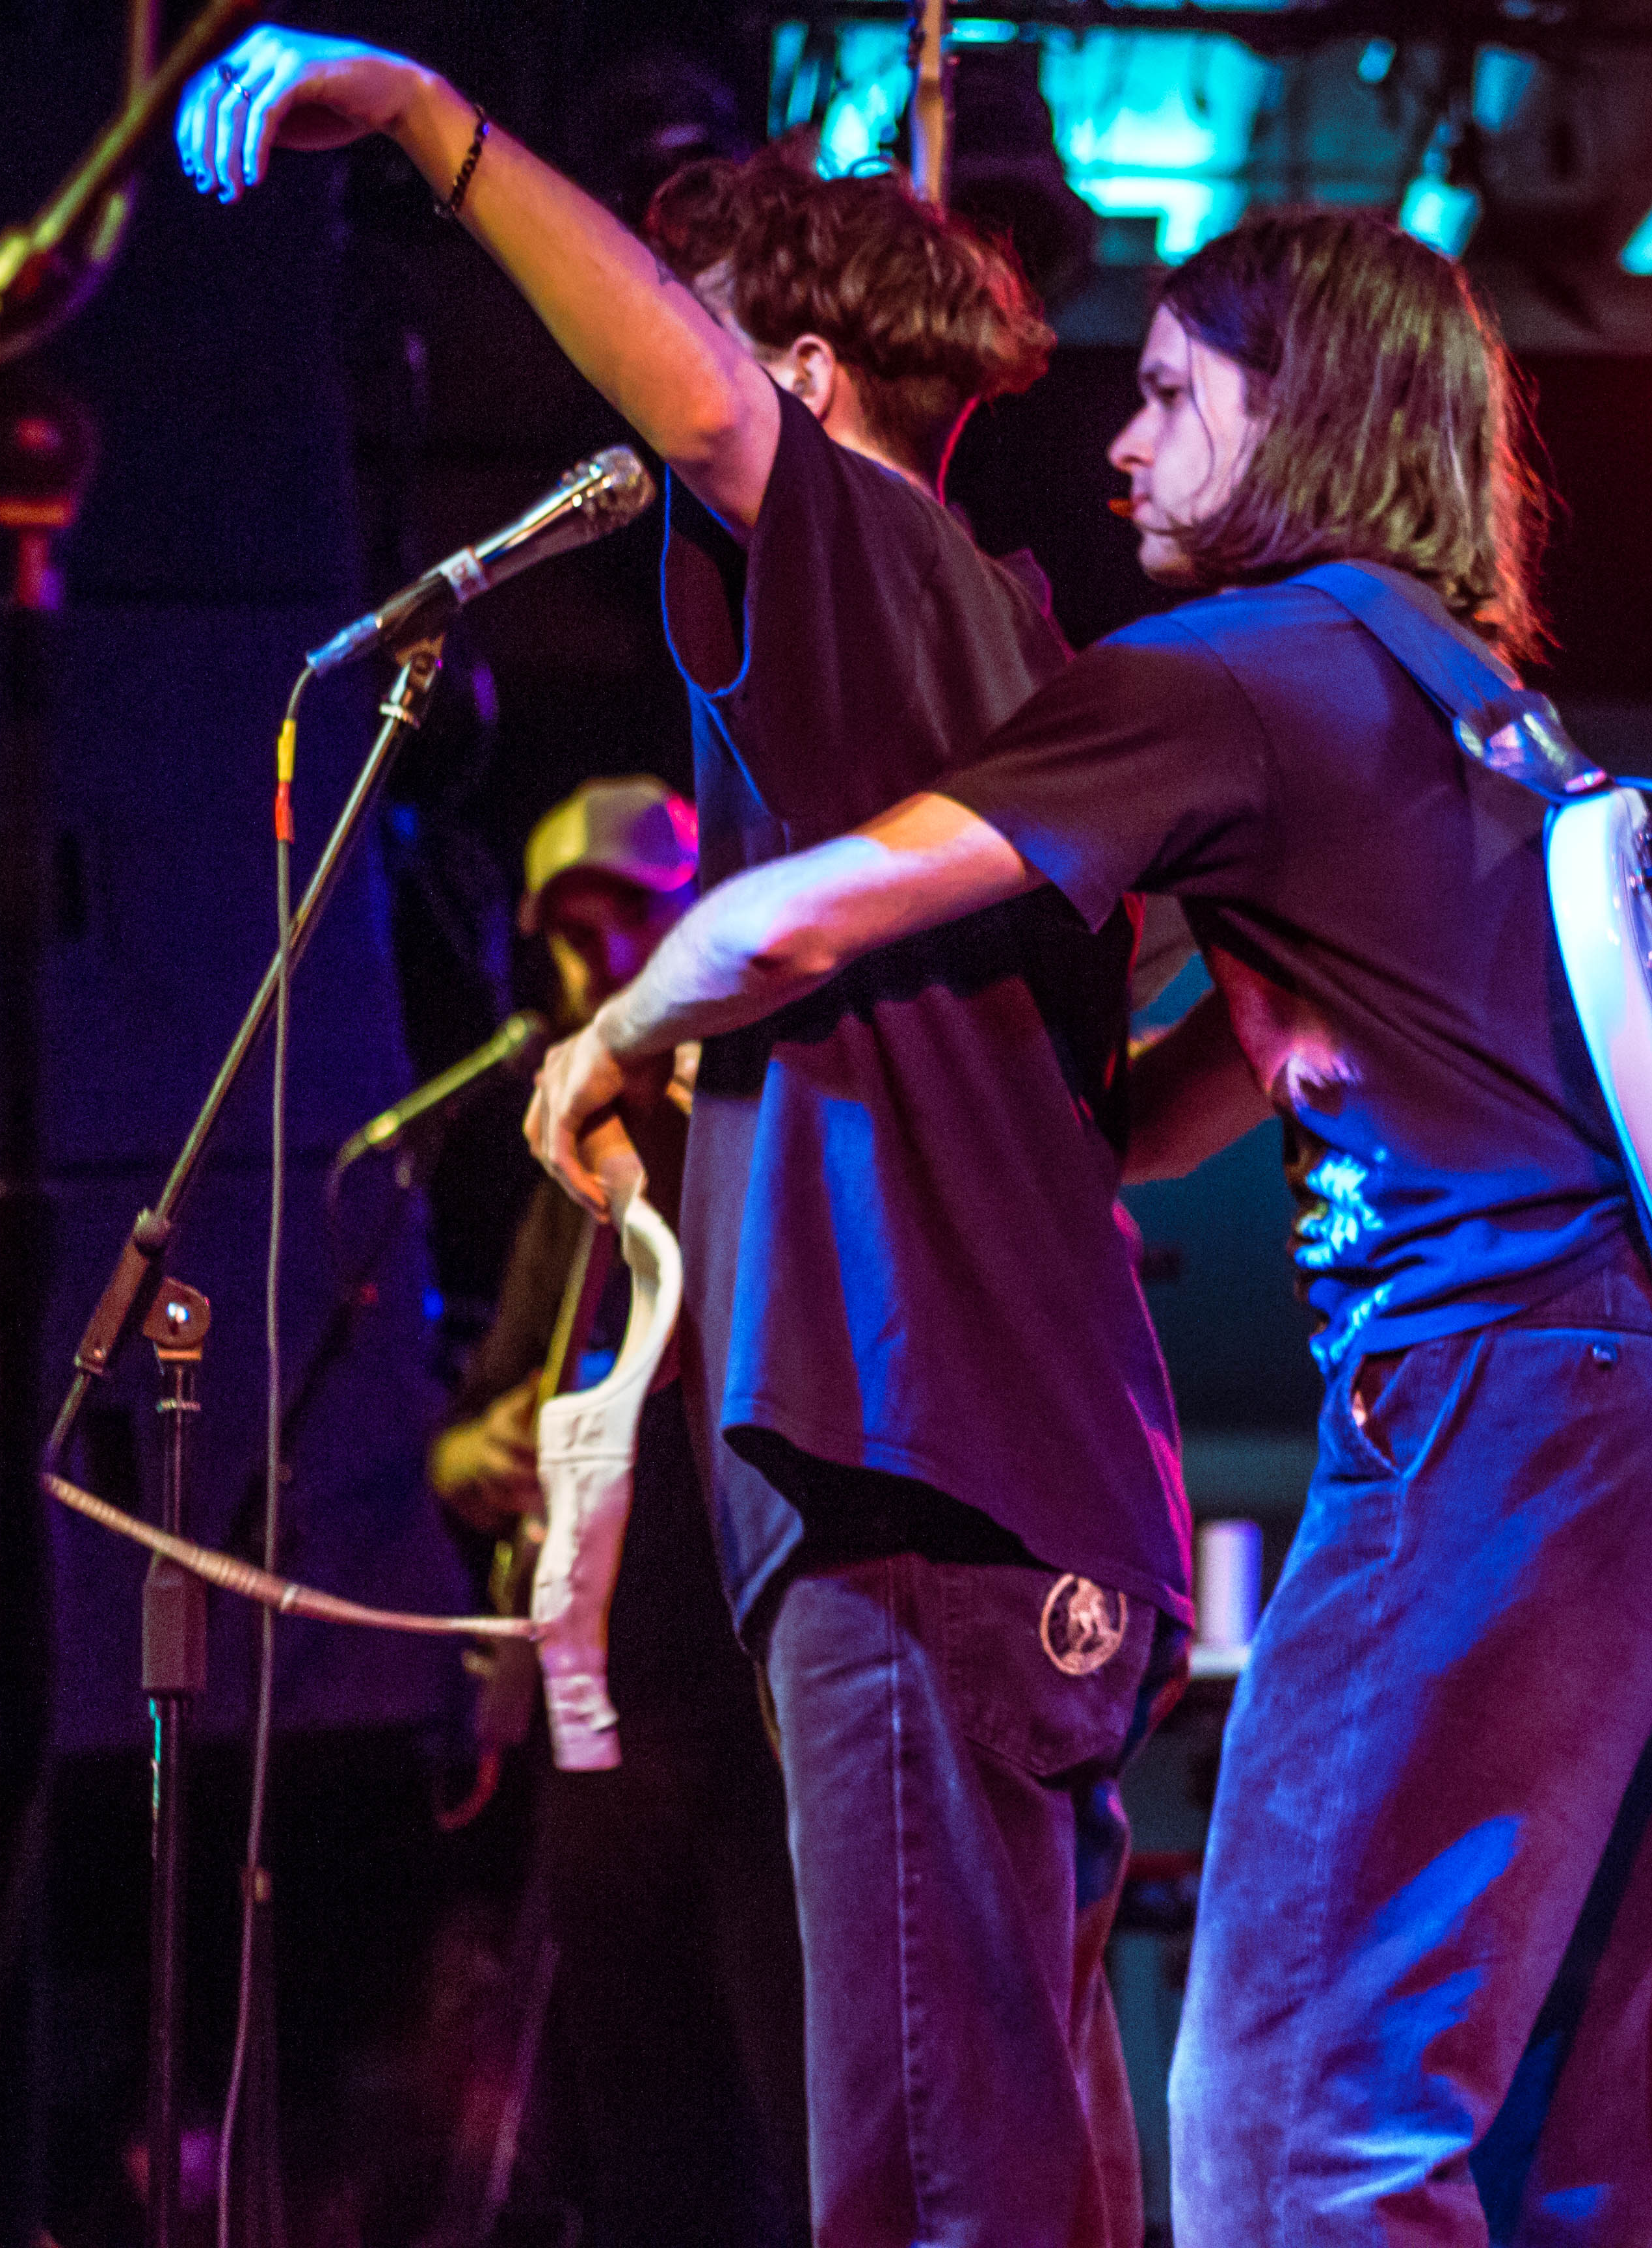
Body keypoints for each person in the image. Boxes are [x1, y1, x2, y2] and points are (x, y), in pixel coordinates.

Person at [529, 206, 1652, 2244]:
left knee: (1297, 2106)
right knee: (1566, 2154)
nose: (1121, 451)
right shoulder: (1463, 697)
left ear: (1302, 418)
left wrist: (615, 1033)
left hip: (1485, 1397)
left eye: (1176, 396)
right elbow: (1230, 1073)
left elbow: (814, 908)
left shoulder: (1234, 672)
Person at [183, 38, 1190, 2247]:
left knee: (927, 2182)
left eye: (693, 333)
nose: (647, 396)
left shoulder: (866, 560)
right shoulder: (1006, 648)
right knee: (1026, 2161)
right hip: (1032, 1498)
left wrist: (427, 122)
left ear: (801, 374)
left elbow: (713, 413)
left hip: (916, 1482)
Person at [422, 778, 805, 2248]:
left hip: (754, 1691)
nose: (600, 965)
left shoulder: (763, 1120)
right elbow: (485, 1411)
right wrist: (479, 1452)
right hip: (601, 1709)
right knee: (644, 2127)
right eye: (572, 937)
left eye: (630, 924)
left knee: (799, 2098)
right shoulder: (568, 1167)